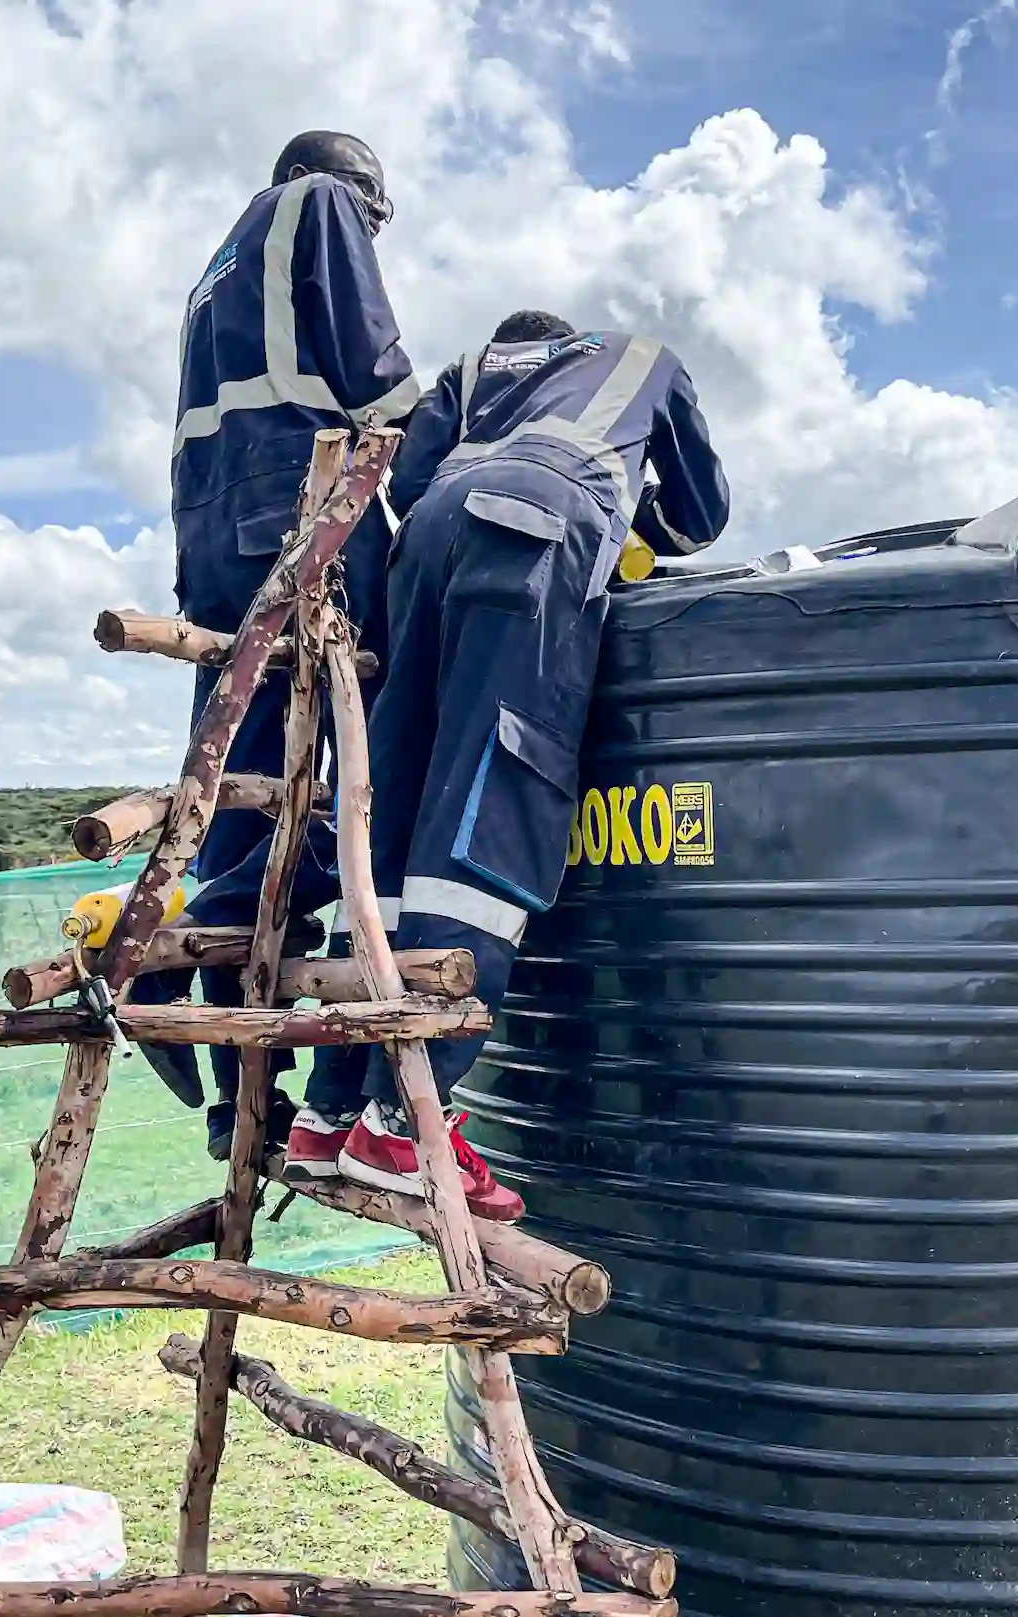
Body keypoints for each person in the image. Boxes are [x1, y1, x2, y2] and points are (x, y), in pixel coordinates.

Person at [283, 311, 730, 1220]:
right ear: (577, 342)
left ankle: (329, 1112)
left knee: (397, 813)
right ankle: (405, 1126)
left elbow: (407, 479)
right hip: (533, 535)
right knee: (491, 808)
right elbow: (697, 518)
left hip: (425, 550)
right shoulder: (644, 361)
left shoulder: (472, 366)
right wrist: (620, 539)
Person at [139, 130, 420, 1155]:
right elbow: (375, 369)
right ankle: (348, 921)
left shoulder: (213, 272)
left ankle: (237, 1093)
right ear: (359, 191)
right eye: (379, 219)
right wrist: (444, 474)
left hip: (210, 528)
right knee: (396, 716)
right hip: (295, 504)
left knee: (244, 775)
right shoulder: (319, 205)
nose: (376, 235)